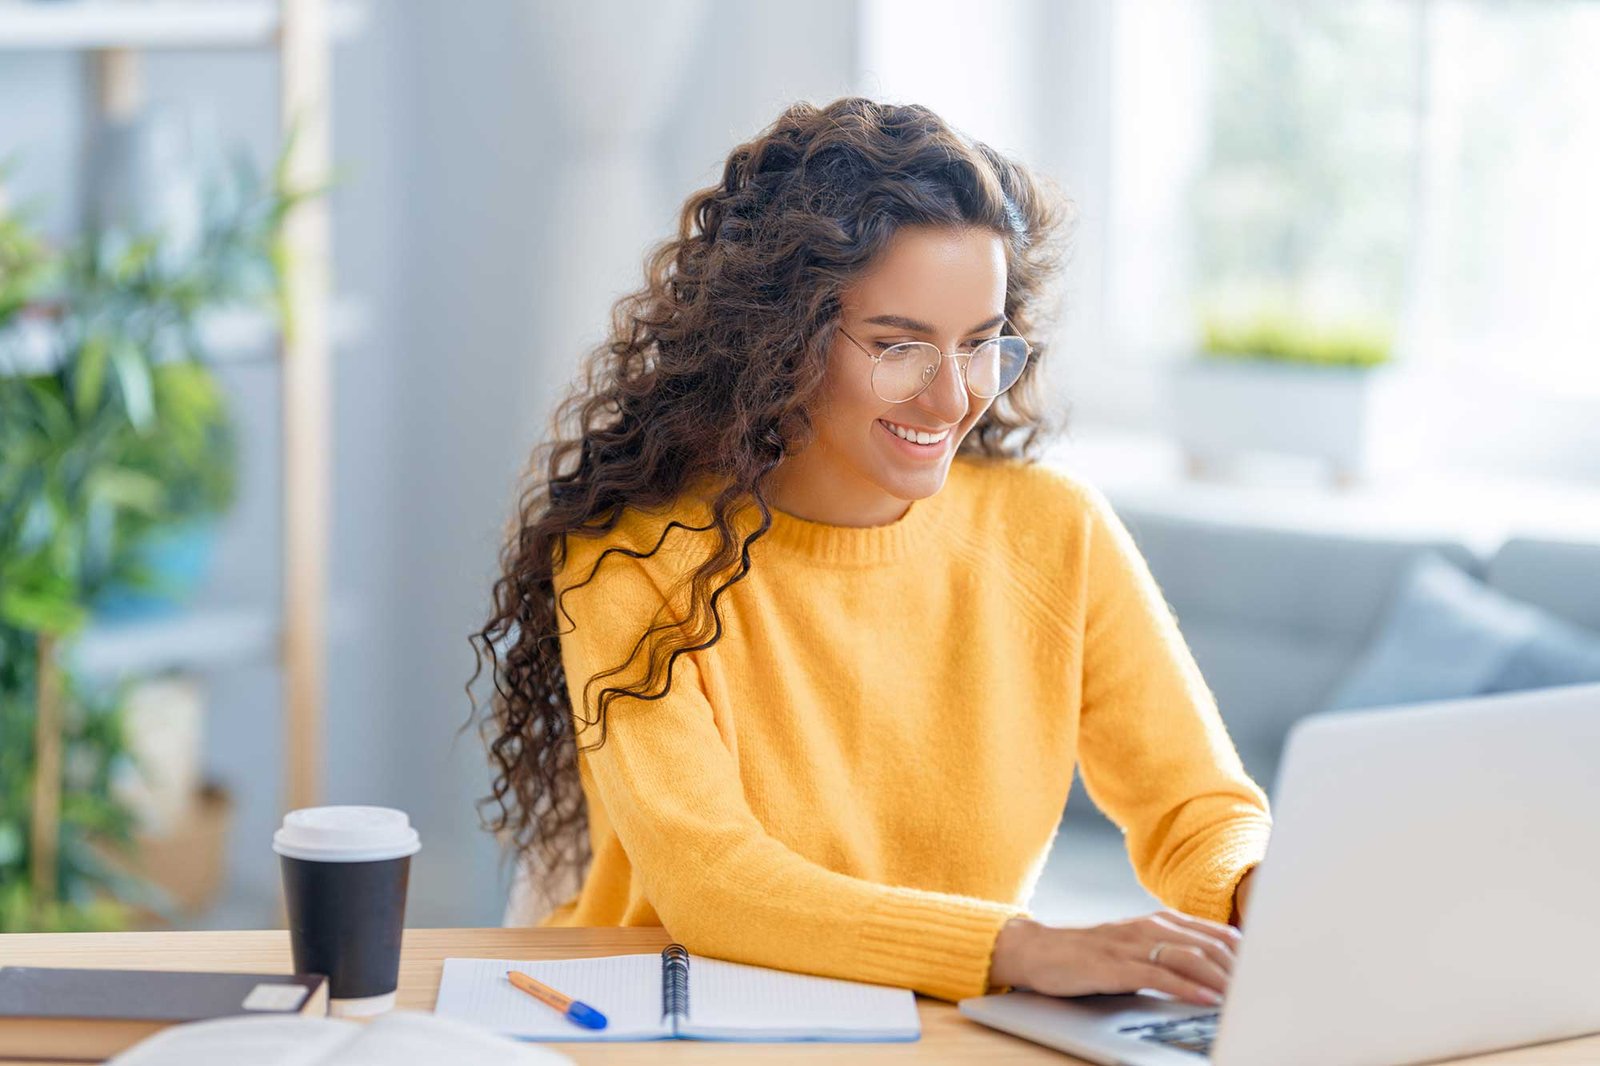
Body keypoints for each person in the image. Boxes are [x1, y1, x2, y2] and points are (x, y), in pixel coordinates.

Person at [470, 97, 1271, 1008]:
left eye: (981, 345)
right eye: (900, 348)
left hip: (932, 1024)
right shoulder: (634, 560)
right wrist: (1017, 949)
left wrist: (1257, 891)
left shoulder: (1054, 531)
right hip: (662, 1018)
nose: (953, 399)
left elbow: (1198, 808)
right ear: (777, 338)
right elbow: (714, 885)